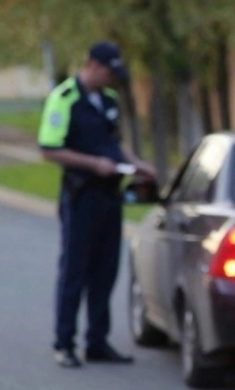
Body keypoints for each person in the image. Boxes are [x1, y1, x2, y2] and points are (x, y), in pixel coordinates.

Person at [38, 41, 157, 368]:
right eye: (108, 72)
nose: (112, 79)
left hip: (109, 194)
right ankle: (64, 342)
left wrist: (137, 163)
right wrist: (93, 164)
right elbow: (49, 148)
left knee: (105, 270)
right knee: (74, 270)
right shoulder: (64, 99)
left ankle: (97, 341)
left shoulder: (108, 100)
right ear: (92, 64)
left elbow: (114, 144)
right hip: (81, 195)